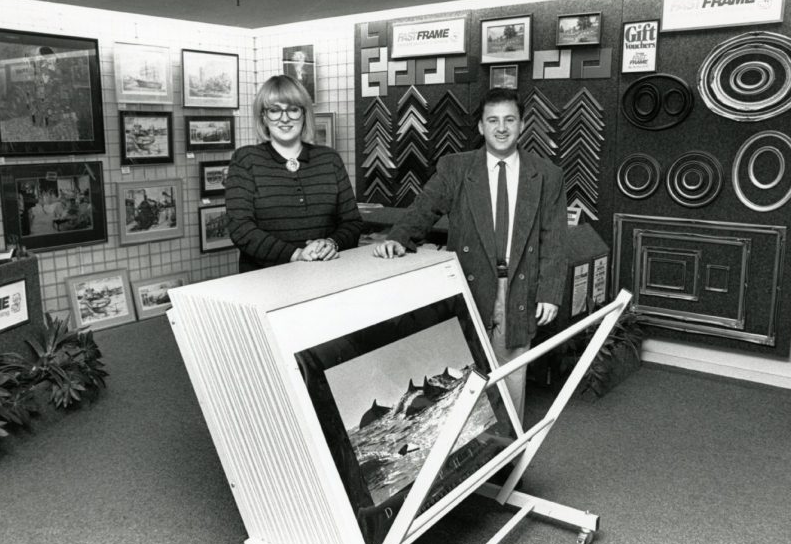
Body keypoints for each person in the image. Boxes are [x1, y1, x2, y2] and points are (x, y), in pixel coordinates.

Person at [373, 87, 568, 422]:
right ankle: (469, 460)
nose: (502, 128)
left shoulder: (546, 174)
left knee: (511, 376)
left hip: (517, 287)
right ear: (480, 127)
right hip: (470, 282)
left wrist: (550, 292)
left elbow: (554, 237)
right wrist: (398, 238)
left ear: (522, 125)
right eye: (493, 120)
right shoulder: (457, 169)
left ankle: (508, 462)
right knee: (464, 373)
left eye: (509, 119)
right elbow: (424, 209)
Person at [225, 74, 362, 272]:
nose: (284, 118)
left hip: (327, 274)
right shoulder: (246, 160)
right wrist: (296, 255)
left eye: (293, 109)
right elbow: (241, 229)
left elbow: (352, 222)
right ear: (263, 117)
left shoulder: (330, 159)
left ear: (305, 114)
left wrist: (331, 244)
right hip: (265, 282)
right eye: (274, 110)